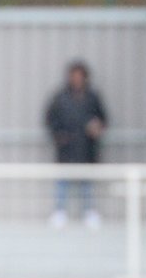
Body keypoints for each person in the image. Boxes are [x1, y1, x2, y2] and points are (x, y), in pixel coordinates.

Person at [44, 60, 107, 229]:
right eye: (74, 76)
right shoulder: (60, 97)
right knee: (62, 180)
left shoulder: (92, 97)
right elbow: (49, 119)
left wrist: (97, 127)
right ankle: (60, 212)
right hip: (66, 148)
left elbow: (103, 118)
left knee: (87, 181)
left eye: (80, 76)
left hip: (87, 148)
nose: (77, 79)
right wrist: (59, 135)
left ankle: (89, 212)